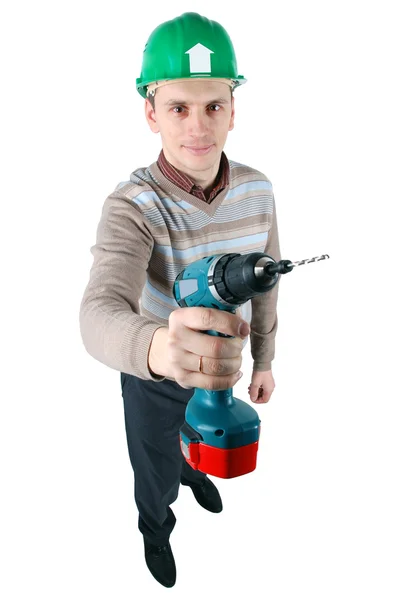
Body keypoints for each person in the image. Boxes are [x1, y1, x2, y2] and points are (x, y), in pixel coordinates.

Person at [79, 12, 281, 588]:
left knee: (199, 445)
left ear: (234, 109)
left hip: (222, 370)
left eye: (214, 105)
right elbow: (97, 313)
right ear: (150, 111)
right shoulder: (133, 205)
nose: (199, 126)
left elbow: (268, 282)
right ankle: (156, 525)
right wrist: (159, 350)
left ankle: (194, 476)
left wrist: (263, 361)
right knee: (154, 467)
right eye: (178, 107)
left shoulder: (259, 188)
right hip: (152, 371)